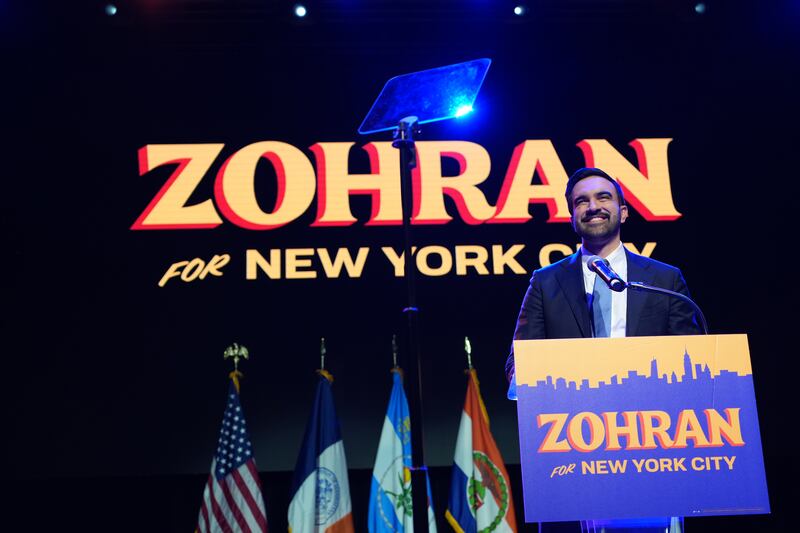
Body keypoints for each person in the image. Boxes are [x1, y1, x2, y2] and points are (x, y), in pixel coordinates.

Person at [505, 167, 701, 397]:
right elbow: (519, 362)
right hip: (573, 416)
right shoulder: (545, 282)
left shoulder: (665, 280)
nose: (593, 207)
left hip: (653, 416)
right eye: (581, 201)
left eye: (603, 197)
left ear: (624, 212)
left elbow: (693, 359)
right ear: (572, 219)